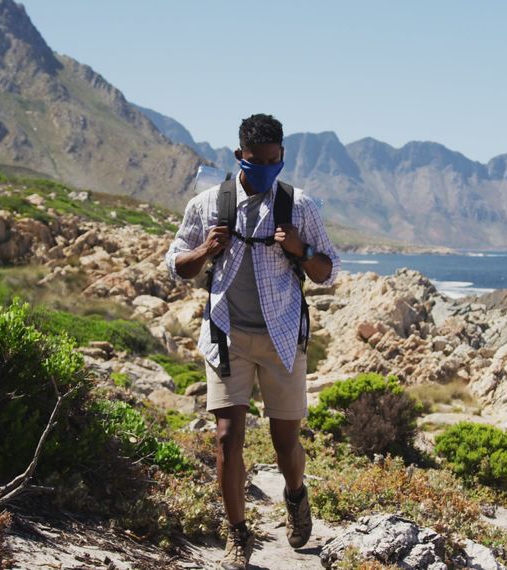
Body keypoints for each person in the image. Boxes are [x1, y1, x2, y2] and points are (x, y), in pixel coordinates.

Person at [165, 114, 340, 570]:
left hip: (283, 336)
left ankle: (296, 497)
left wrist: (300, 250)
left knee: (286, 443)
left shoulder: (299, 207)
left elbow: (328, 272)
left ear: (282, 155)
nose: (264, 167)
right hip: (227, 337)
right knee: (227, 438)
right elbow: (177, 266)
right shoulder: (207, 205)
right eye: (255, 160)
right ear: (238, 156)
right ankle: (238, 534)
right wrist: (205, 250)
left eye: (272, 159)